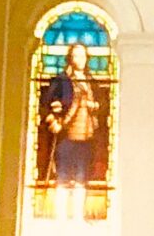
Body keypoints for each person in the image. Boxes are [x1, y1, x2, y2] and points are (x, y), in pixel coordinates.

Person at [37, 43, 110, 217]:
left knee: (81, 176)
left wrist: (94, 105)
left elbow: (103, 104)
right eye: (76, 56)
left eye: (83, 56)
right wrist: (53, 121)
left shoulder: (90, 81)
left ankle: (78, 215)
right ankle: (61, 215)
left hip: (87, 136)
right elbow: (46, 104)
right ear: (70, 58)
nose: (80, 60)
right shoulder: (62, 80)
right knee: (62, 176)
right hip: (66, 136)